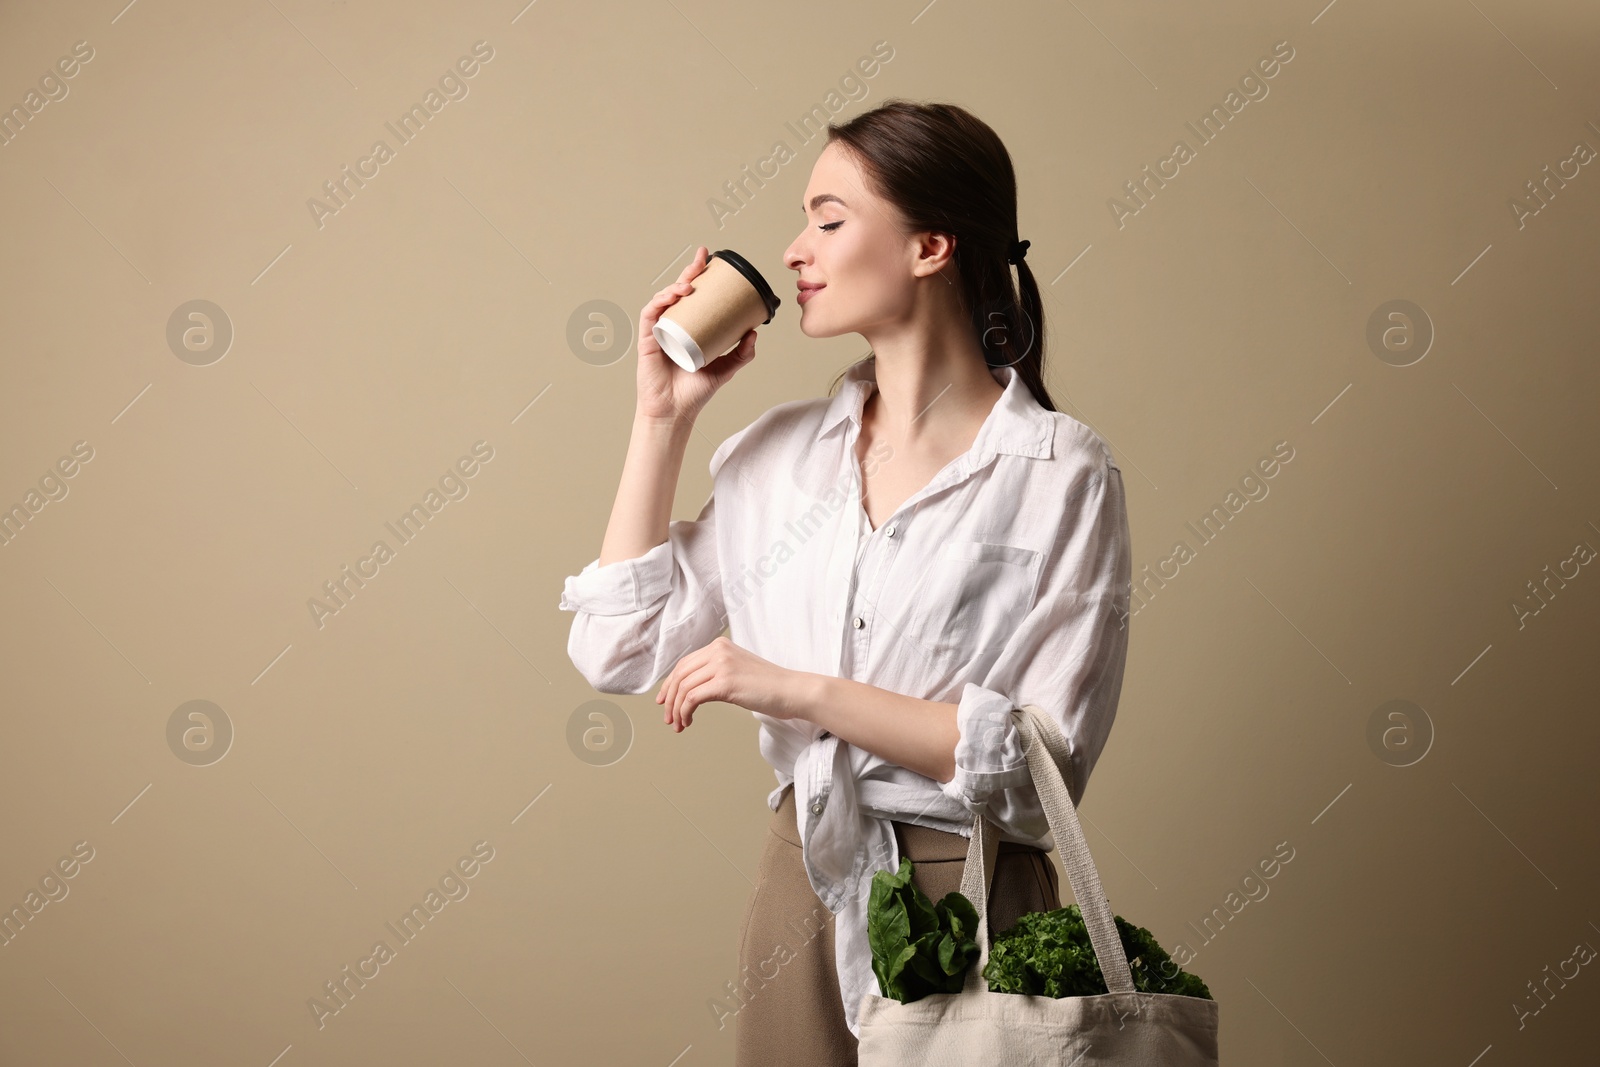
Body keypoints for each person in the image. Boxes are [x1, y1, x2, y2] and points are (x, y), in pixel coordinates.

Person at [557, 99, 1133, 1065]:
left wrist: (797, 690)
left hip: (977, 890)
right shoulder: (774, 460)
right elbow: (617, 649)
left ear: (930, 245)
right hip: (801, 883)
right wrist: (660, 420)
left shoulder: (1059, 472)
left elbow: (1043, 770)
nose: (794, 249)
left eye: (828, 219)